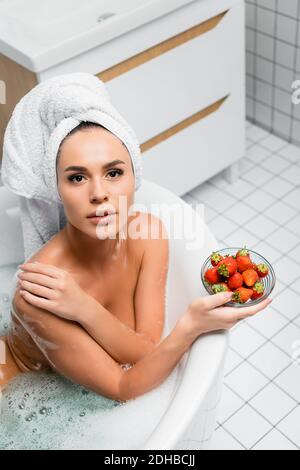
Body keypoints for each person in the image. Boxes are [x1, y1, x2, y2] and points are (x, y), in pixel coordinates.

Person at [0, 121, 273, 402]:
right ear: (57, 189)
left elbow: (145, 349)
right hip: (13, 382)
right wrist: (188, 327)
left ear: (134, 177)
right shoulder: (40, 291)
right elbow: (123, 388)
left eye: (113, 173)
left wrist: (83, 307)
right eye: (77, 178)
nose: (98, 193)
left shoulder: (150, 234)